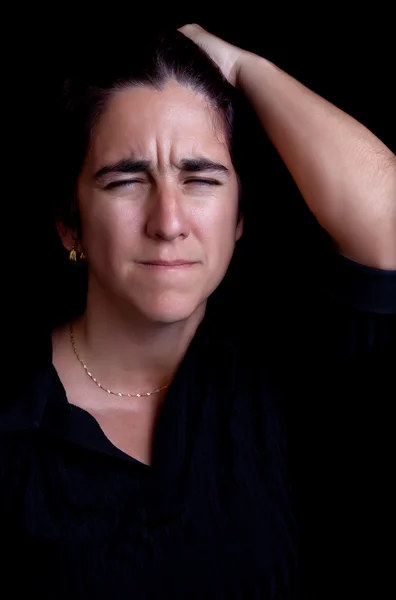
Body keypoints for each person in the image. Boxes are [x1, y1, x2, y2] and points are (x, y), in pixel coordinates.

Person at [1, 24, 395, 599]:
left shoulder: (279, 364)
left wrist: (240, 66)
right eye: (127, 182)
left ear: (238, 220)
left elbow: (388, 228)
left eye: (200, 179)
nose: (168, 222)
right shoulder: (15, 423)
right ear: (70, 225)